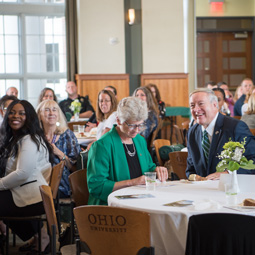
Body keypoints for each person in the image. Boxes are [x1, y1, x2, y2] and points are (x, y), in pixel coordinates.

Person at [87, 97, 168, 205]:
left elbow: (148, 167)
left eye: (140, 125)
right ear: (118, 120)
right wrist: (133, 182)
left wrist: (157, 170)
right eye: (131, 125)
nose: (136, 130)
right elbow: (97, 187)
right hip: (110, 206)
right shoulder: (102, 146)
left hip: (140, 200)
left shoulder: (139, 140)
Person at [0, 100, 53, 253]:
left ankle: (42, 236)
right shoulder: (18, 138)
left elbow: (22, 174)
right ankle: (38, 236)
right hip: (29, 192)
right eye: (12, 112)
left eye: (21, 113)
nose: (15, 116)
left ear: (29, 117)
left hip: (31, 197)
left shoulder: (29, 140)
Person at [186, 88, 255, 180]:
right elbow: (190, 169)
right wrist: (194, 178)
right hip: (202, 190)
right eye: (192, 105)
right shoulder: (192, 132)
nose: (196, 109)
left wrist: (228, 174)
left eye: (201, 104)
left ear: (214, 105)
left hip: (231, 188)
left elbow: (252, 160)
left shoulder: (235, 127)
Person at [37, 100, 81, 198]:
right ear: (39, 115)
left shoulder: (67, 135)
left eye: (54, 110)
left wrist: (59, 153)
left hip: (61, 185)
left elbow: (76, 169)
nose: (51, 113)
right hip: (38, 183)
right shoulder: (35, 137)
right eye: (47, 110)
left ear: (58, 114)